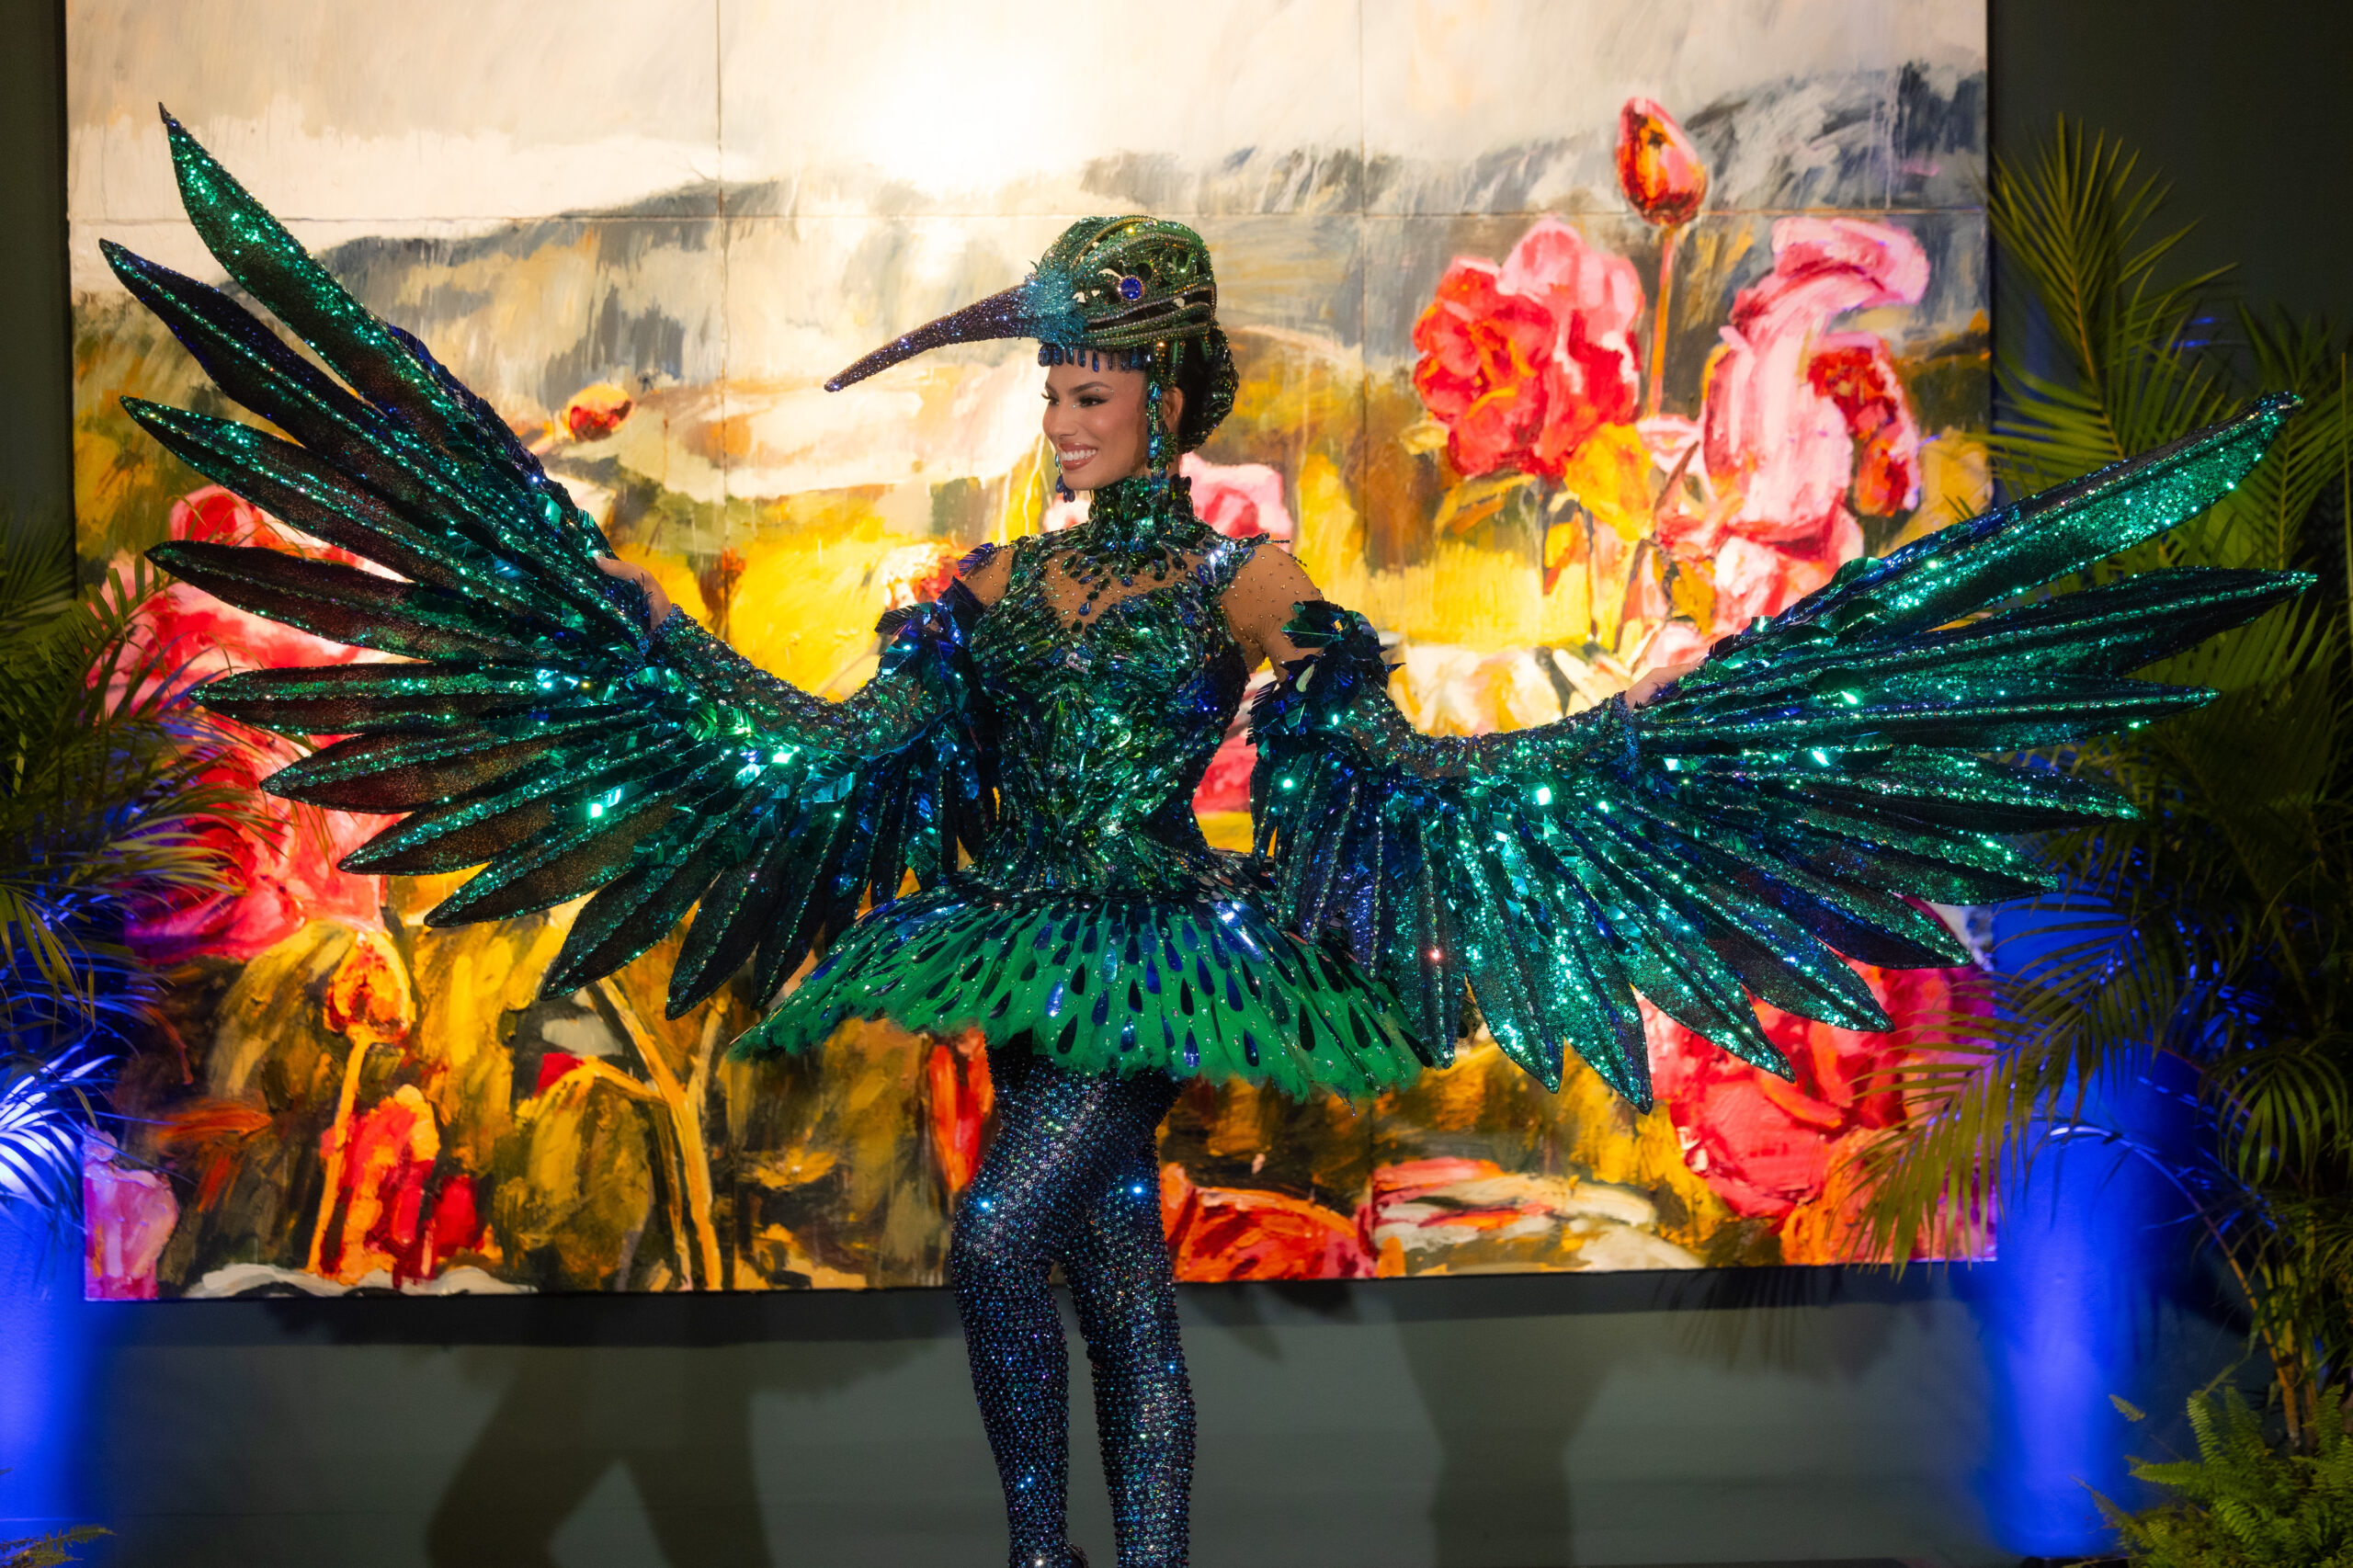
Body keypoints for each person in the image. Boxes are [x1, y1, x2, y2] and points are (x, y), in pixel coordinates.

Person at [110, 113, 2308, 1568]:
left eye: (1083, 390)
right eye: (1046, 390)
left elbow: (1349, 715)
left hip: (1159, 944)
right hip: (1013, 928)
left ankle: (1048, 1557)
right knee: (1110, 1285)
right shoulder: (985, 589)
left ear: (1160, 400)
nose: (1057, 417)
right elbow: (876, 744)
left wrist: (1377, 736)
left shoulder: (1228, 579)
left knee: (996, 1241)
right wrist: (673, 675)